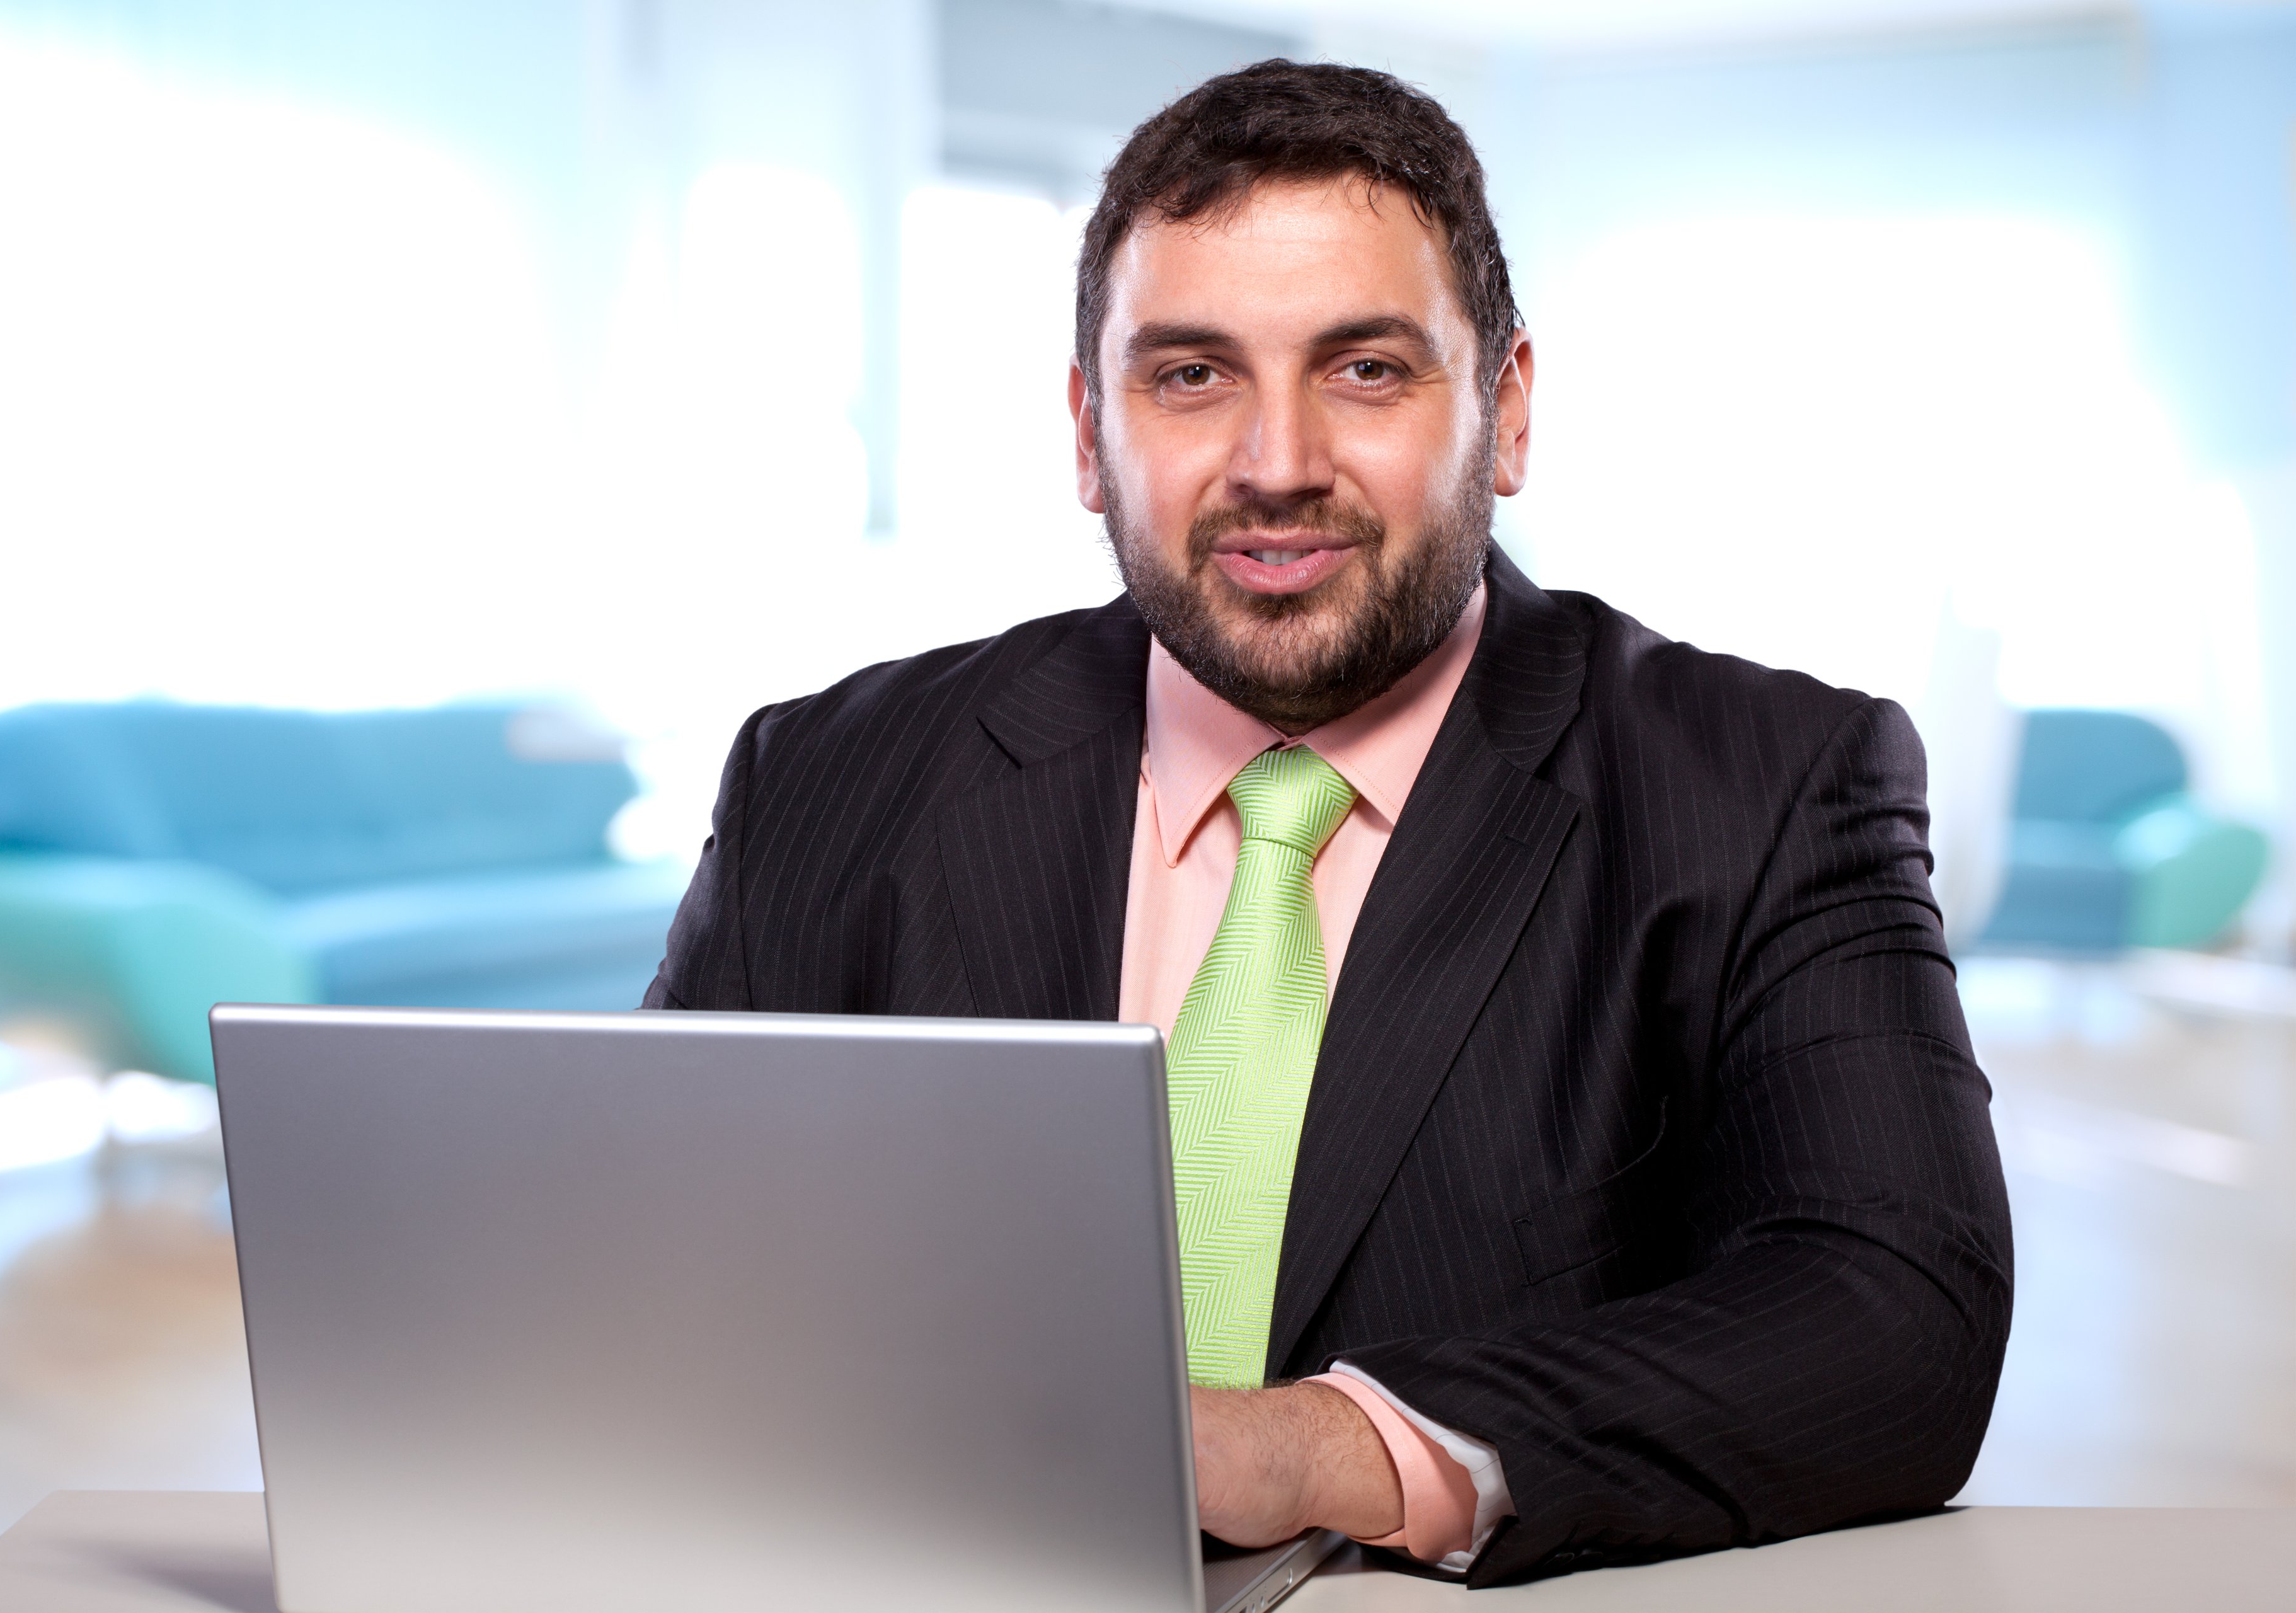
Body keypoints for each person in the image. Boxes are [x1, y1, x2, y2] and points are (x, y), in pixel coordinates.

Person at [645, 58, 2011, 1586]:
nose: (1278, 465)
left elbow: (1900, 1313)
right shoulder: (821, 781)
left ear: (1505, 412)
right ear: (1090, 433)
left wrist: (1312, 1446)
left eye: (1365, 369)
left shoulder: (1768, 784)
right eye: (1192, 375)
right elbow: (639, 1276)